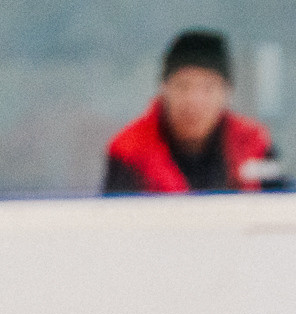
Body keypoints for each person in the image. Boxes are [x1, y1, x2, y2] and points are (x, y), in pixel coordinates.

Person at [103, 30, 284, 196]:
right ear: (164, 89)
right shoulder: (129, 152)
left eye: (208, 88)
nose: (194, 100)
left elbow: (281, 214)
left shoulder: (255, 145)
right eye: (183, 86)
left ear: (227, 92)